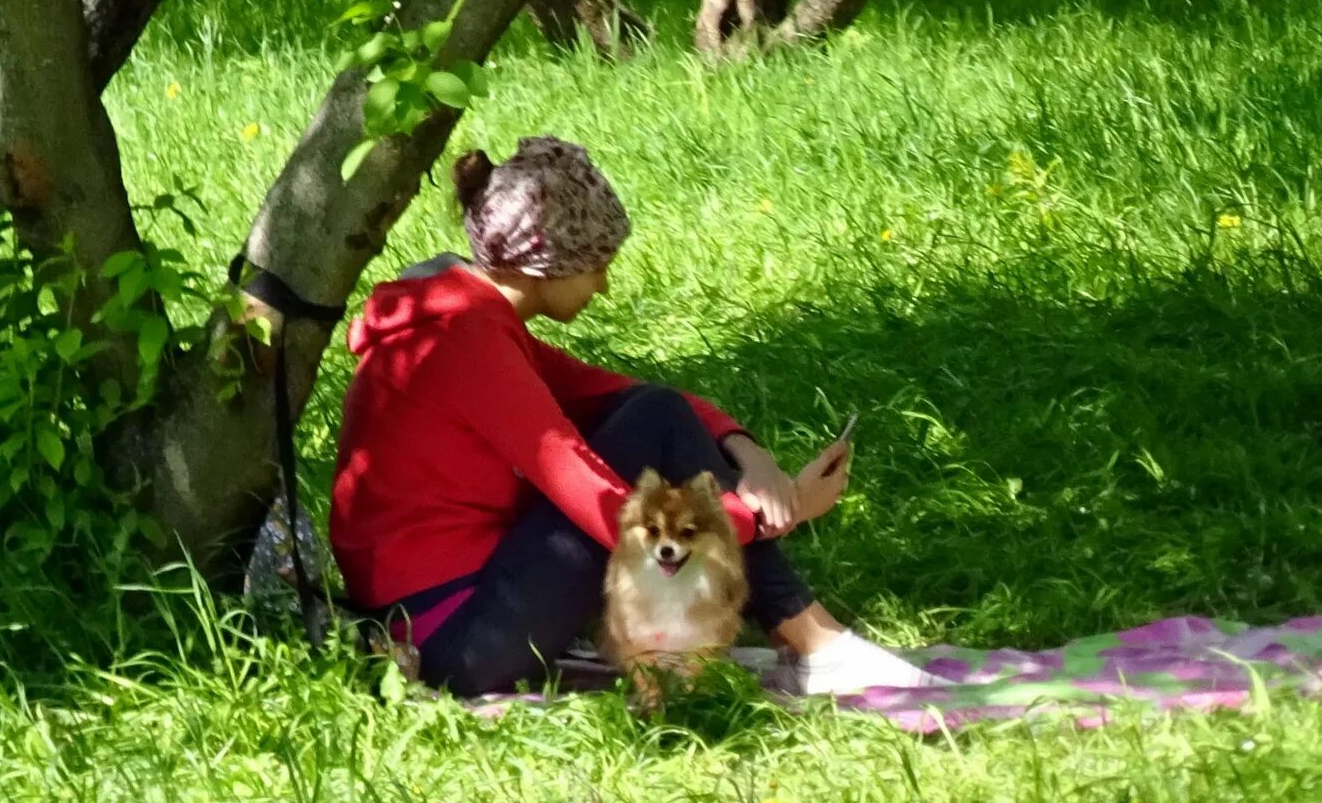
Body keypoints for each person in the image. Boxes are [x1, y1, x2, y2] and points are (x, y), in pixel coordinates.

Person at [330, 136, 935, 698]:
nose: (603, 287)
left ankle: (801, 634)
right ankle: (813, 641)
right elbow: (599, 507)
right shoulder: (470, 344)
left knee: (650, 411)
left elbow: (630, 397)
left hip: (442, 620)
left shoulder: (463, 321)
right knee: (648, 428)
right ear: (546, 260)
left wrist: (748, 454)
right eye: (595, 265)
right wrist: (777, 513)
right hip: (457, 644)